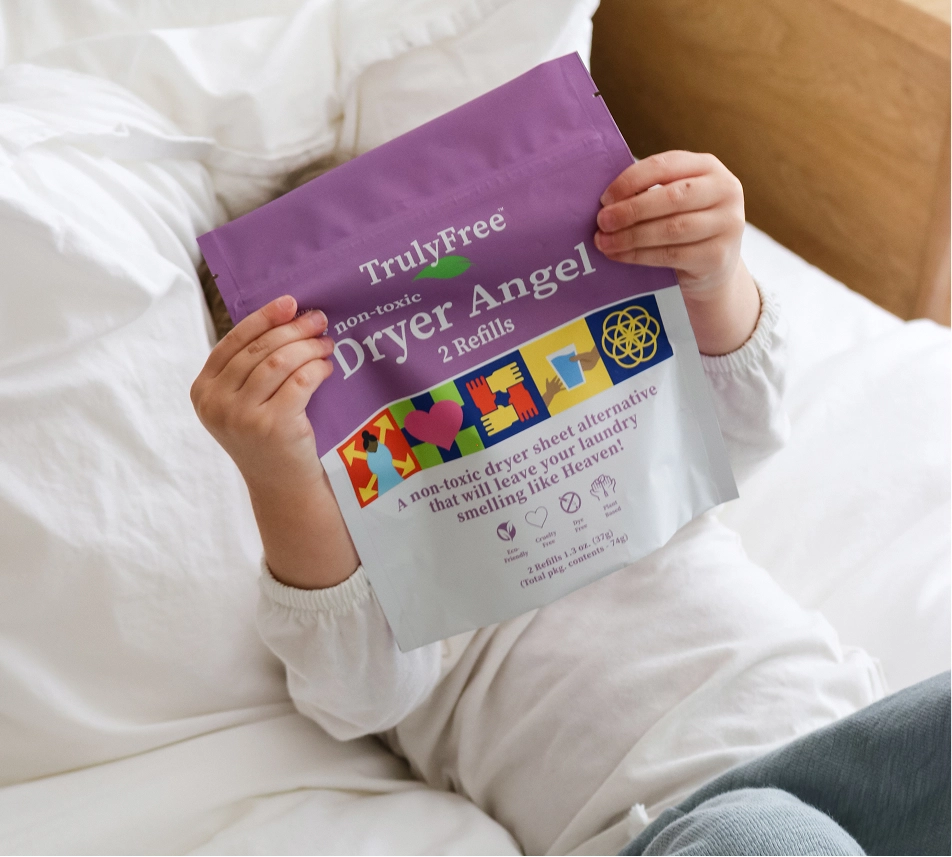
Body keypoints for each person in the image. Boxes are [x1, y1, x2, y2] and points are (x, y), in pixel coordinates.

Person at [190, 151, 950, 855]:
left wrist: (715, 275)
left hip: (853, 739)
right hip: (678, 823)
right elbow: (352, 689)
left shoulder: (621, 453)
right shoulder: (395, 589)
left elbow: (744, 423)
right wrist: (282, 477)